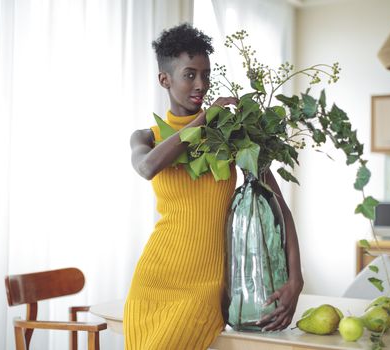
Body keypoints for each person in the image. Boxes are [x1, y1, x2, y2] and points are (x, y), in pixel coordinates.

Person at [124, 23, 304, 350]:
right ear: (164, 79)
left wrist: (297, 279)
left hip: (206, 288)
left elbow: (279, 208)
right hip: (154, 281)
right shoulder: (147, 137)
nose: (201, 84)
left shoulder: (233, 136)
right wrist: (206, 118)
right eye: (189, 75)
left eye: (205, 75)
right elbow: (148, 167)